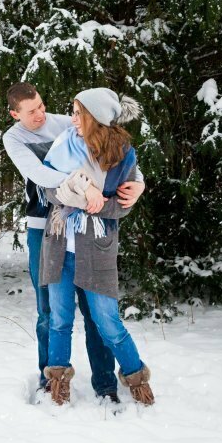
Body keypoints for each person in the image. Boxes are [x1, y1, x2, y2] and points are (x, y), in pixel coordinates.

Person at [2, 82, 145, 402]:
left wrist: (139, 185)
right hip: (47, 227)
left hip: (92, 230)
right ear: (15, 114)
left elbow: (114, 148)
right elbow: (43, 177)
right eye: (31, 112)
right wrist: (85, 189)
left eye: (41, 105)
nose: (41, 114)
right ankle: (50, 378)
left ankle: (106, 382)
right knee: (50, 312)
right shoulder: (14, 138)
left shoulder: (70, 122)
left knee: (98, 316)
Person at [40, 87, 154, 407]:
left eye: (78, 113)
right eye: (72, 111)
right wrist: (81, 192)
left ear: (94, 117)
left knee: (107, 323)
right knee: (60, 320)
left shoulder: (123, 154)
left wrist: (97, 203)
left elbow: (123, 205)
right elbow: (49, 192)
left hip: (97, 247)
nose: (72, 118)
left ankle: (136, 381)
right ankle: (57, 384)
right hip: (60, 243)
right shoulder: (64, 144)